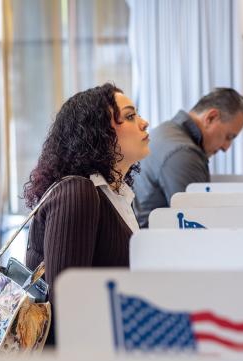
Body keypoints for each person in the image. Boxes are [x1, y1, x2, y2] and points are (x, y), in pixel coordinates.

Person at [23, 83, 149, 345]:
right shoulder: (78, 193)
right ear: (98, 134)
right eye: (129, 116)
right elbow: (68, 310)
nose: (144, 123)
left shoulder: (115, 195)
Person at [133, 87, 243, 228]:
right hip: (157, 244)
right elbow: (199, 225)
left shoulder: (165, 131)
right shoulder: (184, 154)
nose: (226, 148)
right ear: (211, 117)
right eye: (228, 137)